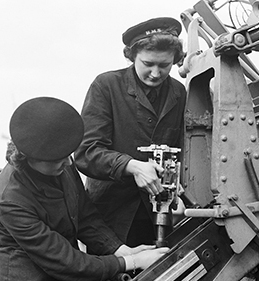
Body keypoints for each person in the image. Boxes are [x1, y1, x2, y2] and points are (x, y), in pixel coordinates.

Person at [0, 96, 168, 281]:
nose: (68, 163)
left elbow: (85, 217)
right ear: (29, 157)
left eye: (69, 155)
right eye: (60, 159)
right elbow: (64, 261)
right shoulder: (10, 200)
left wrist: (122, 250)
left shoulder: (59, 162)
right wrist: (133, 262)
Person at [74, 17, 186, 248]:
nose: (156, 73)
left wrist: (181, 190)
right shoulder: (106, 86)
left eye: (164, 66)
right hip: (111, 217)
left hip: (161, 217)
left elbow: (182, 149)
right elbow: (86, 153)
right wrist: (133, 166)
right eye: (148, 64)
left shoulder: (179, 92)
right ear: (131, 55)